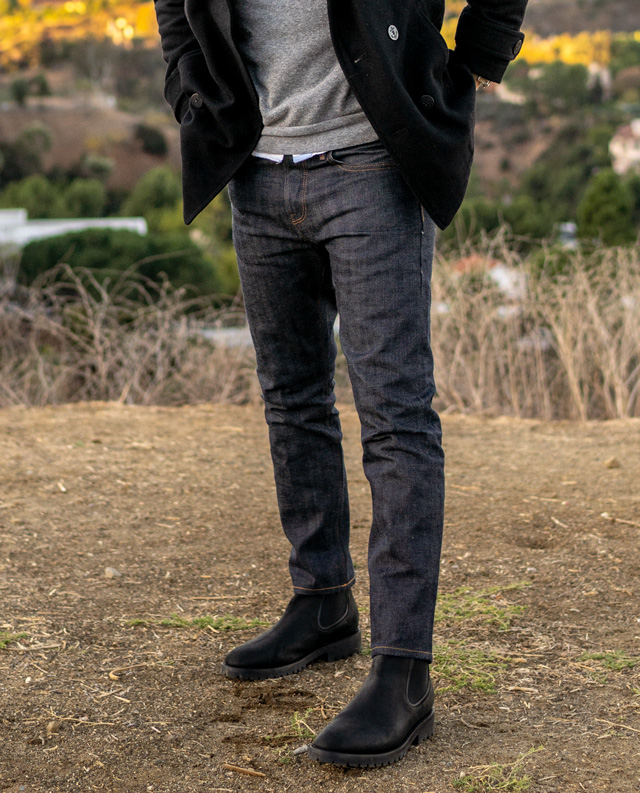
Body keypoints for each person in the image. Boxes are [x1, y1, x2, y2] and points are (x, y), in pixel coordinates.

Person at [153, 0, 528, 767]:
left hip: (372, 161)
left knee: (395, 417)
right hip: (254, 163)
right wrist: (190, 86)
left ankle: (403, 670)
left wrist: (484, 50)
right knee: (292, 400)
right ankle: (322, 600)